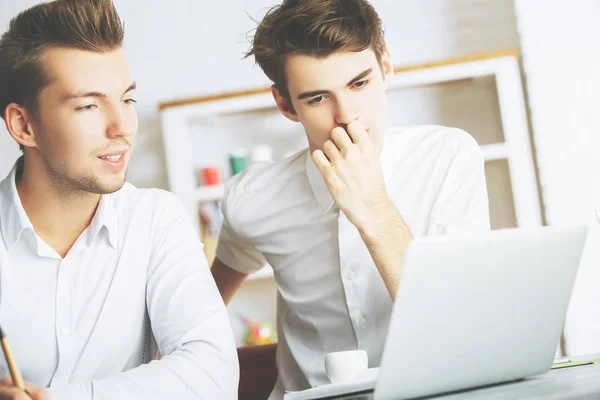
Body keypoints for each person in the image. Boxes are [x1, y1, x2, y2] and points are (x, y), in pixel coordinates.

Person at [210, 0, 490, 398]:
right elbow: (200, 314)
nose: (347, 116)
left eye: (359, 83)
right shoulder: (252, 199)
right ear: (286, 105)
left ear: (386, 67)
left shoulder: (447, 158)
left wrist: (373, 206)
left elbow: (456, 328)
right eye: (317, 98)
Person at [0, 1, 238, 399]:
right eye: (89, 105)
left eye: (126, 99)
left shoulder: (155, 220)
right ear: (24, 125)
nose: (123, 126)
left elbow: (213, 377)